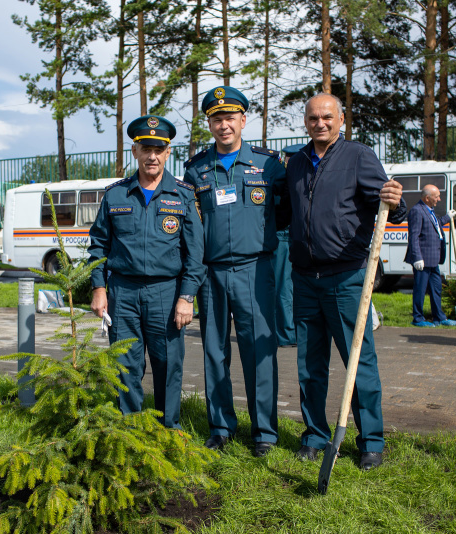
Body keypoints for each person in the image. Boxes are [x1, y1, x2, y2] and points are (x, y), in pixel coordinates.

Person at [286, 93, 406, 470]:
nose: (319, 123)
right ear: (305, 122)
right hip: (305, 279)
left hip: (347, 277)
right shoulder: (296, 164)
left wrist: (397, 200)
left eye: (327, 117)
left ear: (341, 120)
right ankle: (315, 435)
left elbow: (390, 206)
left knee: (359, 361)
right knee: (310, 364)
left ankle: (371, 440)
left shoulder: (358, 156)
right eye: (312, 118)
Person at [183, 86, 288, 457]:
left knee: (259, 351)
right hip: (211, 273)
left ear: (243, 120)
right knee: (214, 351)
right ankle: (221, 426)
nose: (223, 125)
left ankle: (264, 432)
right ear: (209, 124)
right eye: (216, 118)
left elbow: (286, 212)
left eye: (230, 117)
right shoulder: (195, 169)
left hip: (254, 268)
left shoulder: (270, 165)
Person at [88, 115, 204, 429]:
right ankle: (130, 430)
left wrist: (187, 296)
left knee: (168, 364)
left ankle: (169, 429)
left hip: (166, 293)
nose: (152, 155)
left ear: (168, 153)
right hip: (122, 292)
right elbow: (98, 245)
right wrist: (99, 288)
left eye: (159, 148)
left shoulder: (182, 195)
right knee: (126, 364)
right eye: (145, 148)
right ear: (135, 151)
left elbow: (196, 253)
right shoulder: (115, 195)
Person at [405, 184, 456, 327]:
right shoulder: (417, 211)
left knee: (436, 289)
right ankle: (418, 318)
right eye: (436, 197)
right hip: (423, 258)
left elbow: (436, 226)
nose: (439, 199)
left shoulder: (429, 210)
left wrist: (448, 217)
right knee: (420, 289)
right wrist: (417, 257)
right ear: (427, 198)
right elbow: (414, 236)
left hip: (433, 259)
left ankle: (439, 317)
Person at [273, 144, 305, 347]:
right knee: (287, 288)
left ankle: (288, 332)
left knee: (286, 287)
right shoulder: (295, 178)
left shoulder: (287, 178)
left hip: (288, 237)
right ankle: (289, 333)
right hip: (289, 237)